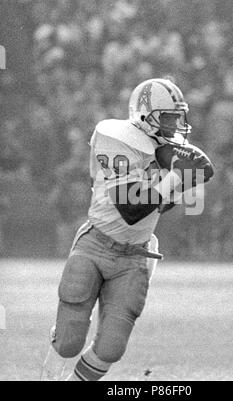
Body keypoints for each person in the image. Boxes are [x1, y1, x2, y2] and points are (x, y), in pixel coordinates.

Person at [41, 78, 214, 381]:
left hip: (135, 254)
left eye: (178, 118)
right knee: (69, 341)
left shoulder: (169, 150)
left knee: (111, 348)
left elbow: (162, 205)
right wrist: (176, 178)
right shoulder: (115, 137)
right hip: (96, 244)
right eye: (169, 117)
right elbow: (130, 207)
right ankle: (49, 371)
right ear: (145, 114)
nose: (175, 126)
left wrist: (180, 180)